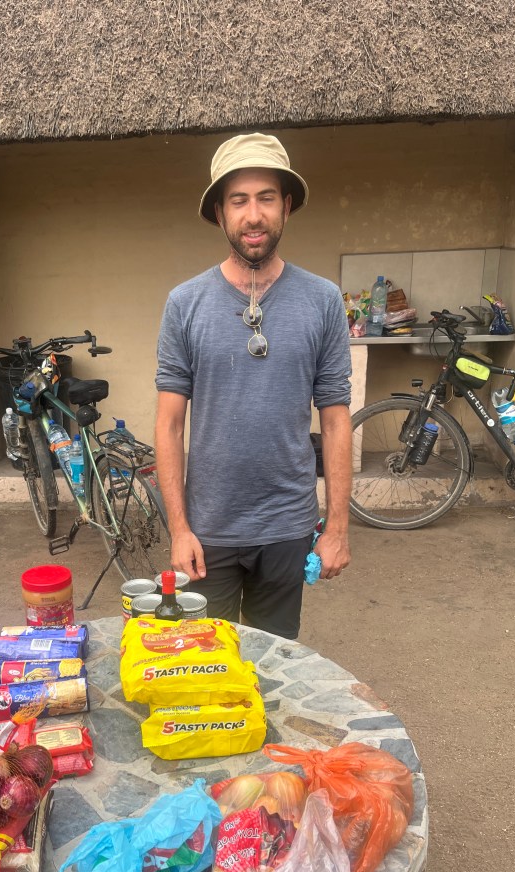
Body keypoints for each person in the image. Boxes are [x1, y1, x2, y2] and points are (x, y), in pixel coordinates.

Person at [154, 132, 352, 640]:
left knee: (275, 666)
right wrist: (179, 529)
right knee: (205, 667)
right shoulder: (185, 303)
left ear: (286, 207)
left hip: (287, 527)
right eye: (238, 200)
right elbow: (170, 422)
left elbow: (334, 419)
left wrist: (336, 529)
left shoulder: (323, 301)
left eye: (266, 198)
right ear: (220, 213)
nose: (253, 214)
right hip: (208, 530)